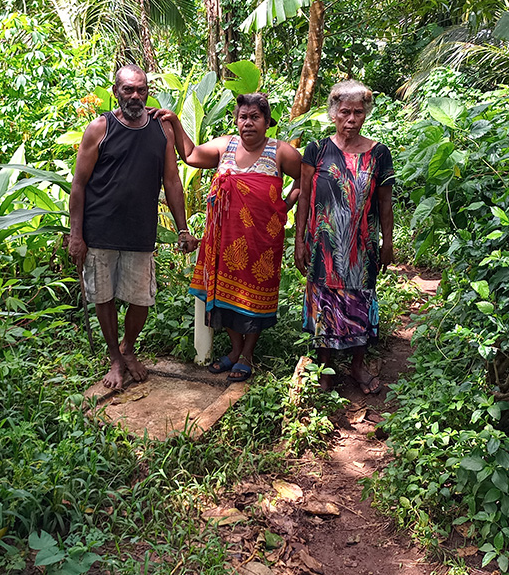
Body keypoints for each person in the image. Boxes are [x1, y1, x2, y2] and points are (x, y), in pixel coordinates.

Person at [68, 64, 199, 390]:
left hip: (140, 230)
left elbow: (171, 181)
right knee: (105, 297)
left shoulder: (162, 130)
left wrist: (183, 228)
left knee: (142, 299)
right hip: (100, 231)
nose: (136, 96)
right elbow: (79, 185)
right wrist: (76, 235)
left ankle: (128, 347)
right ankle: (115, 357)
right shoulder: (100, 128)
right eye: (128, 89)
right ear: (116, 92)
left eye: (141, 89)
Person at [161, 93, 302, 382]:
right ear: (237, 120)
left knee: (254, 299)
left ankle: (247, 355)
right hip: (222, 240)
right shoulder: (225, 145)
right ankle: (235, 350)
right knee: (223, 296)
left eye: (255, 117)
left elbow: (307, 176)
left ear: (266, 121)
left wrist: (284, 205)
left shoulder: (281, 152)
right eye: (243, 117)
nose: (248, 123)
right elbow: (189, 155)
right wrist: (175, 121)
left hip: (261, 241)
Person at [294, 80, 394, 393]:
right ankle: (326, 369)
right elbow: (305, 197)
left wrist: (387, 242)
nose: (351, 119)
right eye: (345, 112)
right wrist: (299, 240)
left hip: (361, 249)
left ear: (366, 115)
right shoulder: (317, 150)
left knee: (360, 301)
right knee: (324, 303)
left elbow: (385, 202)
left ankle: (357, 366)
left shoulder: (379, 154)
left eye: (358, 112)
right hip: (323, 248)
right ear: (333, 113)